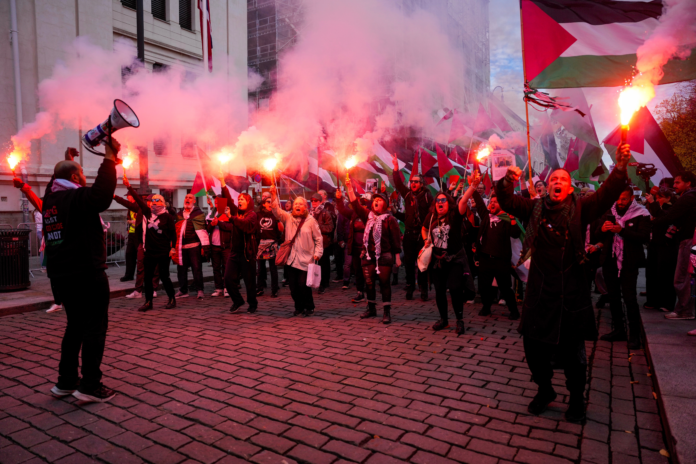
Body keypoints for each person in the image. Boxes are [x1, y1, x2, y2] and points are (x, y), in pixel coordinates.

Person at [495, 144, 631, 422]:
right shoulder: (534, 207)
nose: (557, 182)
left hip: (571, 291)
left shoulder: (582, 208)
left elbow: (606, 194)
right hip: (540, 292)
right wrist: (508, 180)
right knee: (534, 351)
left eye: (563, 180)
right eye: (553, 179)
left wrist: (619, 168)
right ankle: (545, 390)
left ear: (569, 189)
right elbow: (507, 202)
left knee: (573, 356)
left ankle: (577, 399)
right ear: (548, 187)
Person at [44, 139, 120, 403]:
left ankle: (65, 382)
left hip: (62, 276)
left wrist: (67, 161)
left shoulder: (50, 199)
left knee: (74, 326)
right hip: (86, 273)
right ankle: (90, 385)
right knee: (94, 328)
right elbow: (101, 194)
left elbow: (56, 180)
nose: (85, 179)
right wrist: (109, 158)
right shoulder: (77, 197)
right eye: (81, 174)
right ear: (75, 178)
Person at [596, 187, 650, 349]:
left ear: (632, 198)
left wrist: (622, 231)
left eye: (624, 199)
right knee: (613, 297)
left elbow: (644, 238)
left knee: (629, 298)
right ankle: (618, 329)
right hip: (610, 260)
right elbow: (597, 233)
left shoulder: (641, 213)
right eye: (618, 198)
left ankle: (634, 334)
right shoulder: (609, 211)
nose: (620, 202)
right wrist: (602, 229)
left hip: (629, 261)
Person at [464, 174, 521, 320]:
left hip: (501, 259)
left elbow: (515, 234)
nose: (492, 204)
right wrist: (473, 186)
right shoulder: (486, 216)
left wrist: (512, 218)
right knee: (484, 286)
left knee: (505, 287)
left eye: (496, 202)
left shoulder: (506, 219)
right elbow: (479, 202)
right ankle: (486, 307)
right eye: (491, 202)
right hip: (485, 258)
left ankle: (514, 310)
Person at [345, 179, 401, 323]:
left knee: (384, 283)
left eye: (379, 200)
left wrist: (397, 257)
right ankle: (371, 309)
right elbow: (355, 205)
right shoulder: (367, 216)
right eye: (375, 199)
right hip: (368, 255)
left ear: (385, 204)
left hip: (384, 256)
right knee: (369, 283)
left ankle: (386, 312)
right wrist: (349, 188)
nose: (376, 201)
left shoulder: (390, 219)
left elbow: (396, 240)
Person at [422, 188, 475, 335]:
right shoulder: (431, 217)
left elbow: (463, 201)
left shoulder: (454, 215)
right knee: (439, 290)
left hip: (454, 260)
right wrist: (426, 240)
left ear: (448, 203)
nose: (440, 202)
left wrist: (472, 186)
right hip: (437, 261)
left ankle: (459, 320)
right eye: (437, 200)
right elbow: (424, 229)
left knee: (455, 288)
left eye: (443, 200)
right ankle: (444, 320)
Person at [124, 179, 177, 312]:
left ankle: (172, 298)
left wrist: (173, 248)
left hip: (163, 251)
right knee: (147, 277)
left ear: (162, 203)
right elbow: (138, 200)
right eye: (152, 201)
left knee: (164, 276)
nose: (154, 203)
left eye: (157, 200)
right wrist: (129, 187)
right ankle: (148, 302)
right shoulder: (148, 213)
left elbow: (173, 234)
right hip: (150, 251)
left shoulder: (168, 217)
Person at [649, 171, 696, 321]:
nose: (674, 185)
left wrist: (653, 220)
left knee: (682, 277)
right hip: (688, 240)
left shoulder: (688, 197)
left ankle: (684, 310)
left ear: (688, 183)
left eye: (677, 182)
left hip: (688, 241)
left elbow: (670, 217)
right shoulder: (689, 196)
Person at [270, 185, 323, 316]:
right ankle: (298, 306)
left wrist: (317, 254)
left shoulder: (311, 221)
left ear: (305, 207)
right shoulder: (288, 218)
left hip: (306, 259)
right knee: (293, 287)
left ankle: (309, 306)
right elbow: (276, 210)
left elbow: (318, 239)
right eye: (295, 204)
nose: (297, 206)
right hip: (291, 259)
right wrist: (273, 195)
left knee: (303, 285)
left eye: (300, 204)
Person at [391, 154, 433, 301]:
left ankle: (423, 289)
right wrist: (395, 168)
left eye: (416, 182)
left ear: (421, 184)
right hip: (409, 234)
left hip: (422, 235)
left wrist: (428, 233)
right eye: (412, 182)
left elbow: (432, 214)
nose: (413, 183)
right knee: (409, 263)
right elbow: (398, 184)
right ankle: (410, 287)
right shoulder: (408, 195)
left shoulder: (427, 196)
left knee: (422, 262)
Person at [216, 183, 258, 313]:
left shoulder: (252, 215)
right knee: (228, 279)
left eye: (242, 199)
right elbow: (228, 199)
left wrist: (231, 218)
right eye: (239, 199)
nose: (239, 201)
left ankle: (252, 304)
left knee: (249, 281)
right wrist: (223, 184)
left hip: (247, 253)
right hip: (234, 252)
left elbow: (245, 225)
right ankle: (238, 301)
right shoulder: (236, 213)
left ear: (248, 202)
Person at [112, 192, 160, 299]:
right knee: (139, 265)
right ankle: (138, 290)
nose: (149, 203)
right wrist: (115, 196)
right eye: (148, 201)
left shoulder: (161, 214)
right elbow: (126, 204)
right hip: (140, 241)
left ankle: (153, 289)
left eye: (151, 201)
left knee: (154, 268)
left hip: (154, 244)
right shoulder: (141, 210)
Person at [644, 188, 678, 312]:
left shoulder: (672, 209)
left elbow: (664, 218)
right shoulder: (657, 209)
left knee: (665, 274)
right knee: (652, 273)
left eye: (660, 197)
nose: (658, 200)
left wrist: (653, 204)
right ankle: (653, 300)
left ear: (668, 198)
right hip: (654, 244)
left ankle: (666, 303)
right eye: (657, 198)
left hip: (666, 246)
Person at [173, 193, 209, 299]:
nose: (187, 199)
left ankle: (200, 290)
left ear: (194, 201)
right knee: (181, 269)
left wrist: (203, 247)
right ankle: (183, 290)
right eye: (186, 197)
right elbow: (176, 229)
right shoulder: (179, 214)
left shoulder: (199, 214)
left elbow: (202, 230)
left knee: (196, 268)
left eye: (190, 198)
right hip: (182, 246)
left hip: (194, 245)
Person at [336, 190, 368, 302]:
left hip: (366, 248)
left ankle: (370, 293)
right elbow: (342, 210)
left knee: (367, 271)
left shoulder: (368, 214)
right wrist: (339, 199)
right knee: (358, 271)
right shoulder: (353, 214)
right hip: (355, 247)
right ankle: (360, 292)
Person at [256, 192, 282, 297]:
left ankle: (274, 290)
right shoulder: (258, 215)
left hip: (272, 243)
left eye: (271, 202)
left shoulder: (276, 214)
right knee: (260, 269)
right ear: (263, 204)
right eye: (268, 202)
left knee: (273, 268)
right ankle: (260, 288)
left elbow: (281, 230)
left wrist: (278, 219)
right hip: (261, 244)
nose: (270, 203)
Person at [310, 192, 335, 294]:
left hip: (323, 243)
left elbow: (330, 228)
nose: (313, 202)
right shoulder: (309, 213)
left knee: (323, 264)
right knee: (313, 263)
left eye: (315, 201)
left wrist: (317, 227)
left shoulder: (325, 213)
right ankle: (314, 281)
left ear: (320, 202)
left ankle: (323, 283)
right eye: (312, 201)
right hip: (312, 243)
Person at [206, 196, 231, 297]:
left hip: (225, 245)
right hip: (214, 245)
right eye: (215, 202)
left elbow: (230, 227)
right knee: (216, 268)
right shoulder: (212, 213)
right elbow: (207, 229)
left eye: (218, 202)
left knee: (226, 268)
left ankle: (227, 288)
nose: (216, 204)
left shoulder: (227, 213)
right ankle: (218, 288)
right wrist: (212, 225)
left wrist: (219, 223)